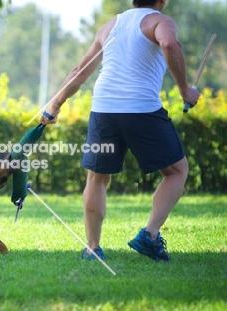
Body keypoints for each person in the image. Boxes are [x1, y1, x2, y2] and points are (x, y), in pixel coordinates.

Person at [41, 0, 200, 261]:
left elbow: (79, 71)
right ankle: (149, 235)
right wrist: (186, 91)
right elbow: (170, 44)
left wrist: (54, 106)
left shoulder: (110, 26)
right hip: (142, 110)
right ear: (161, 1)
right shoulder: (160, 21)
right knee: (176, 171)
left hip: (103, 108)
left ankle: (93, 247)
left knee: (97, 178)